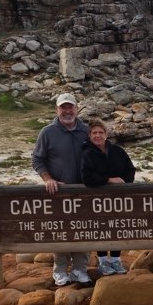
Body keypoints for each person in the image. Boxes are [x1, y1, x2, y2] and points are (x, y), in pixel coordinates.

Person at [31, 93, 92, 287]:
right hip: (58, 193)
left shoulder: (87, 131)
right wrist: (48, 179)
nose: (67, 111)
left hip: (84, 192)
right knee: (61, 232)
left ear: (77, 108)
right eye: (63, 107)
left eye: (70, 107)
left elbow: (99, 155)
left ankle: (80, 269)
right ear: (57, 110)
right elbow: (37, 159)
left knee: (84, 230)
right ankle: (60, 271)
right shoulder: (47, 132)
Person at [81, 118, 135, 275]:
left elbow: (130, 169)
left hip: (118, 198)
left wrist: (124, 182)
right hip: (97, 200)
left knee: (118, 227)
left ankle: (116, 260)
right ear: (90, 135)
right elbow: (87, 177)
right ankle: (103, 261)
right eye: (94, 133)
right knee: (101, 228)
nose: (97, 135)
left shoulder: (117, 151)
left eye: (101, 132)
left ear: (106, 134)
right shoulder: (87, 153)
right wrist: (108, 180)